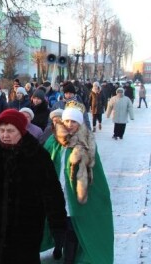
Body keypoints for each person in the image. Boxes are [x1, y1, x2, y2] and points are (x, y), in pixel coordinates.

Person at [0, 109, 67, 263]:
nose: (5, 135)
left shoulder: (37, 155)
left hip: (25, 229)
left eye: (11, 131)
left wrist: (57, 225)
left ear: (21, 131)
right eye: (1, 130)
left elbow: (52, 193)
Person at [43, 102, 114, 263]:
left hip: (73, 197)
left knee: (71, 229)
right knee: (56, 226)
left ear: (80, 123)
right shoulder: (54, 141)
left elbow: (96, 175)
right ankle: (57, 248)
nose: (69, 125)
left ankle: (69, 258)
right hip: (55, 194)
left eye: (74, 122)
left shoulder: (86, 143)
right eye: (67, 121)